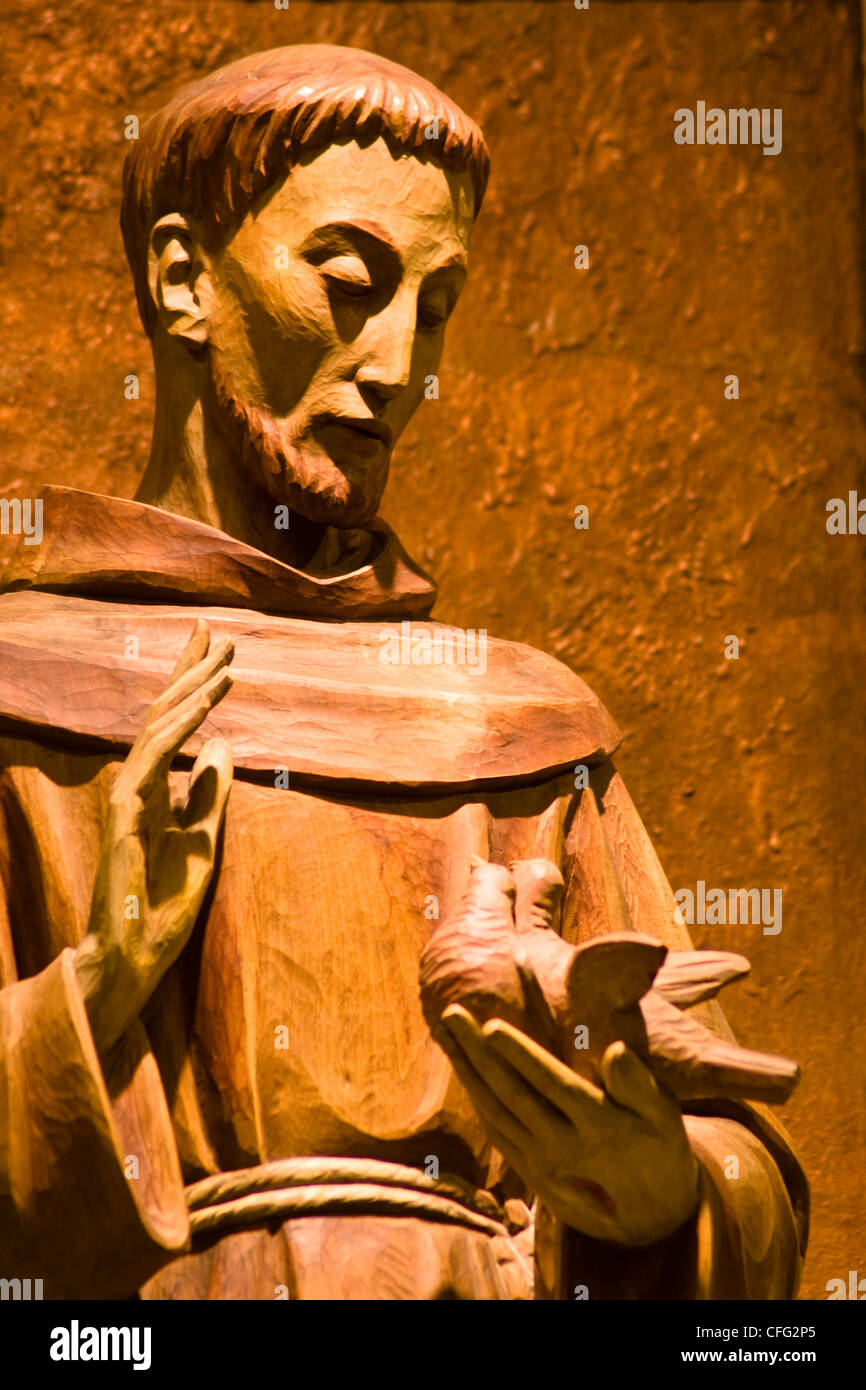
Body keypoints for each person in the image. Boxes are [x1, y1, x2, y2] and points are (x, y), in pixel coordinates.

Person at [0, 44, 806, 1299]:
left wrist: (653, 1192)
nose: (396, 367)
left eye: (432, 310)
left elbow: (732, 1166)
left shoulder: (510, 722)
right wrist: (101, 977)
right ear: (180, 278)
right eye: (349, 283)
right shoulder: (23, 691)